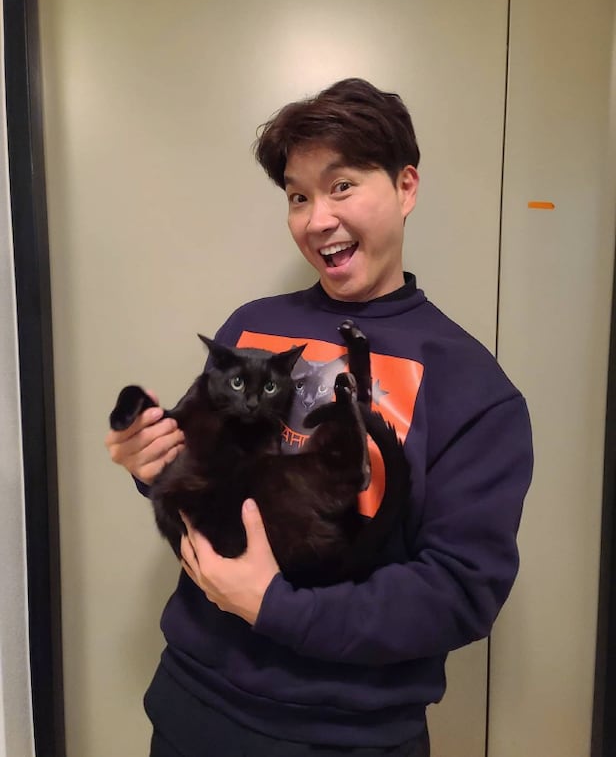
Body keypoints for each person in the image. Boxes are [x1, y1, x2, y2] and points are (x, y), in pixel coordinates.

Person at [105, 78, 533, 757]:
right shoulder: (251, 327)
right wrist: (148, 458)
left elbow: (460, 593)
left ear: (406, 187)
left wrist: (277, 607)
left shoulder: (473, 386)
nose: (316, 219)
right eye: (298, 197)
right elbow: (196, 463)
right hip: (190, 705)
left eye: (341, 186)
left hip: (347, 736)